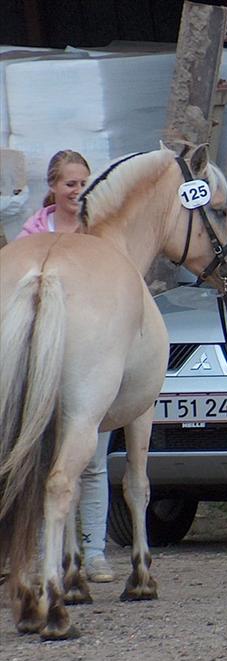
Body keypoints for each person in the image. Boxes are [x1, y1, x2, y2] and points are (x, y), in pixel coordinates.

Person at [17, 150, 114, 583]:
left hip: (91, 354)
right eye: (70, 184)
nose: (77, 191)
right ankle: (46, 551)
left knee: (93, 462)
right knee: (43, 461)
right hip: (46, 357)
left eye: (83, 183)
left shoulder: (100, 232)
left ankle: (94, 550)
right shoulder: (32, 235)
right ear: (53, 188)